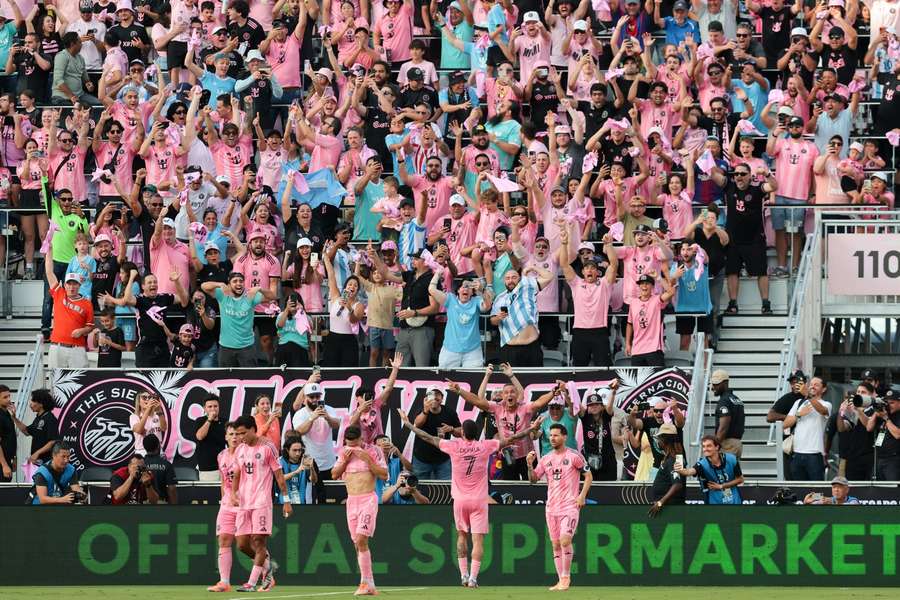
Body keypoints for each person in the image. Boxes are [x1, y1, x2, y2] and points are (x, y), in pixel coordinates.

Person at [399, 411, 540, 587]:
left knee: (461, 536)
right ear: (476, 433)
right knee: (478, 541)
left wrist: (408, 424)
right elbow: (512, 439)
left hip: (460, 500)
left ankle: (464, 575)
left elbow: (427, 437)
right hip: (479, 500)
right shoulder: (485, 446)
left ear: (463, 434)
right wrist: (530, 429)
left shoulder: (454, 446)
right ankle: (473, 578)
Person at [453, 363, 554, 479]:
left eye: (512, 392)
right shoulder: (497, 407)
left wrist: (553, 392)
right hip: (508, 455)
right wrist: (459, 391)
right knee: (510, 487)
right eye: (506, 392)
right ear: (503, 396)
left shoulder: (524, 407)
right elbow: (477, 400)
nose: (509, 394)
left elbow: (540, 402)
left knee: (532, 485)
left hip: (527, 455)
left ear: (517, 395)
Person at [527, 423, 593, 591]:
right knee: (555, 544)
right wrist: (529, 465)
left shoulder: (574, 456)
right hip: (551, 507)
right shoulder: (546, 458)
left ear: (565, 437)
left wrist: (582, 496)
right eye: (551, 435)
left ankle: (566, 577)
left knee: (565, 540)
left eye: (556, 435)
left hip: (570, 506)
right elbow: (534, 479)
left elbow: (588, 475)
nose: (552, 438)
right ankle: (560, 580)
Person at [230, 415, 290, 593]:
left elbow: (279, 475)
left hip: (262, 501)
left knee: (258, 541)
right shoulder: (240, 449)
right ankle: (268, 566)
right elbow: (237, 473)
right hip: (244, 502)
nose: (240, 437)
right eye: (238, 433)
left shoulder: (267, 447)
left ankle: (251, 583)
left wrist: (286, 500)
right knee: (241, 544)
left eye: (243, 433)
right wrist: (233, 493)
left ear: (253, 429)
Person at [331, 426, 388, 597]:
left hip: (368, 499)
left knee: (362, 539)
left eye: (355, 444)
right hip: (352, 500)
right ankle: (369, 583)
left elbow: (384, 474)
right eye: (349, 444)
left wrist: (368, 460)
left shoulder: (374, 450)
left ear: (361, 438)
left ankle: (365, 583)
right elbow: (334, 474)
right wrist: (345, 461)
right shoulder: (344, 452)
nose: (352, 447)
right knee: (358, 543)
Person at [208, 423, 257, 593]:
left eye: (237, 434)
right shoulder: (221, 456)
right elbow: (223, 481)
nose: (235, 437)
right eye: (231, 434)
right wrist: (224, 500)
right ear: (226, 437)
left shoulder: (247, 454)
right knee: (223, 539)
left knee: (247, 544)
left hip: (245, 503)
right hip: (227, 504)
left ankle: (267, 570)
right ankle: (224, 582)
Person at [201, 272, 277, 368]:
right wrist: (220, 284)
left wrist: (260, 289)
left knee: (249, 380)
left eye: (241, 281)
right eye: (235, 281)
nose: (238, 283)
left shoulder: (250, 295)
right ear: (229, 284)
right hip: (226, 347)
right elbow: (203, 286)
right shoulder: (222, 294)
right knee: (226, 381)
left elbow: (273, 296)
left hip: (247, 348)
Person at [490, 267, 555, 367]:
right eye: (507, 278)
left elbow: (549, 276)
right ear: (504, 281)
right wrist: (498, 318)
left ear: (519, 279)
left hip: (531, 347)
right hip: (509, 349)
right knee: (509, 382)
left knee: (534, 381)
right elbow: (492, 321)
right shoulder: (499, 299)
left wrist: (532, 267)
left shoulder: (528, 288)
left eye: (514, 277)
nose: (510, 280)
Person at [44, 244, 94, 369]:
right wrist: (49, 251)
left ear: (79, 285)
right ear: (65, 285)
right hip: (57, 347)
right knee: (55, 382)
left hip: (77, 349)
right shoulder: (59, 293)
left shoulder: (87, 303)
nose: (72, 287)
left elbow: (90, 326)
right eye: (69, 284)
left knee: (80, 383)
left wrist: (82, 331)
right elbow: (49, 272)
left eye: (75, 284)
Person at [292, 380, 341, 503]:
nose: (314, 399)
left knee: (328, 498)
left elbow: (337, 424)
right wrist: (312, 418)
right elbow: (298, 432)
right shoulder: (300, 414)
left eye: (317, 396)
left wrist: (327, 417)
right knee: (310, 499)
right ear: (305, 398)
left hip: (329, 462)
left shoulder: (328, 409)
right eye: (311, 396)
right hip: (310, 463)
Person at [783, 377, 832, 480]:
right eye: (811, 384)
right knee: (799, 490)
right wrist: (798, 415)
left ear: (824, 389)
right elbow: (785, 424)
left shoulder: (826, 404)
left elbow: (823, 411)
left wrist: (808, 396)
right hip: (797, 453)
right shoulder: (799, 403)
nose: (812, 386)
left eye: (816, 385)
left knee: (816, 490)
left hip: (815, 454)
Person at [409, 387, 462, 480]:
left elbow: (461, 432)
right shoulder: (422, 410)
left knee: (444, 489)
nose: (434, 398)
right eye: (431, 395)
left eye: (437, 395)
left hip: (443, 459)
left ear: (442, 398)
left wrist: (452, 429)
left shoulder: (450, 412)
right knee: (420, 488)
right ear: (426, 398)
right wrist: (425, 411)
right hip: (422, 459)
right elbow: (417, 425)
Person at [677, 435, 744, 504]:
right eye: (703, 446)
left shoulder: (731, 459)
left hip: (734, 501)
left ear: (717, 447)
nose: (705, 449)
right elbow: (689, 472)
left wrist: (722, 486)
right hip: (714, 503)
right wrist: (681, 470)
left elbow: (740, 479)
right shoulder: (702, 464)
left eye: (709, 446)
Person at [578, 383, 619, 482]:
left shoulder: (606, 415)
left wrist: (613, 392)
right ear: (587, 407)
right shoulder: (585, 418)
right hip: (590, 460)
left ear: (602, 406)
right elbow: (576, 405)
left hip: (608, 460)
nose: (594, 407)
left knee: (608, 487)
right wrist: (568, 393)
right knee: (591, 488)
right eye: (591, 405)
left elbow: (610, 406)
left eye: (597, 404)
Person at [10, 388, 58, 466]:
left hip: (46, 462)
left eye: (33, 401)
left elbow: (52, 442)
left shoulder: (50, 418)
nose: (30, 404)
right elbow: (26, 431)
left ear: (41, 404)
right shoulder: (38, 418)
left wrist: (37, 453)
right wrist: (14, 418)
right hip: (37, 462)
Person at [646, 423, 686, 516]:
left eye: (659, 439)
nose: (658, 442)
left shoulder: (674, 459)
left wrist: (660, 503)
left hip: (670, 509)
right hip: (667, 508)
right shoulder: (670, 457)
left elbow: (677, 484)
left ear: (664, 439)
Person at [710, 369, 745, 457]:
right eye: (713, 384)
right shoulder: (736, 399)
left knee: (723, 470)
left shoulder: (724, 401)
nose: (713, 387)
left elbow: (723, 427)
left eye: (716, 384)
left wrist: (715, 445)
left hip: (727, 444)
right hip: (736, 443)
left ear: (725, 383)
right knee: (733, 470)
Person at [194, 393, 226, 481]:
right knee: (209, 494)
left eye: (215, 406)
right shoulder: (200, 421)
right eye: (210, 406)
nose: (213, 409)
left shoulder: (225, 422)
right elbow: (199, 436)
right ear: (204, 408)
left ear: (219, 407)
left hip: (224, 466)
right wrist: (209, 420)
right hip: (207, 468)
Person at [871, 389, 900, 481]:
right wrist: (876, 413)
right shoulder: (885, 413)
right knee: (879, 488)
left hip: (893, 459)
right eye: (887, 403)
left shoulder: (892, 416)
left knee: (892, 489)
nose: (889, 405)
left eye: (892, 403)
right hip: (879, 458)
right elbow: (869, 427)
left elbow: (898, 434)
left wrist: (886, 419)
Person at [278, 438, 317, 505]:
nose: (297, 453)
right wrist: (297, 471)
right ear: (287, 450)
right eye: (294, 450)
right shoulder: (281, 461)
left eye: (299, 450)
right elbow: (279, 478)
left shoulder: (305, 461)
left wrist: (312, 468)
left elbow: (314, 480)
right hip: (284, 505)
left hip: (302, 505)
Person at [142, 433, 178, 504]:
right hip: (161, 503)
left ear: (144, 447)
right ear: (158, 446)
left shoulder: (141, 465)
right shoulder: (167, 464)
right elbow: (172, 488)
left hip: (143, 504)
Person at [0, 385, 15, 482]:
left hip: (8, 460)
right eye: (5, 397)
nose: (9, 399)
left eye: (9, 396)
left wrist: (13, 459)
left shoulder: (7, 413)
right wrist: (4, 465)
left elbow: (11, 437)